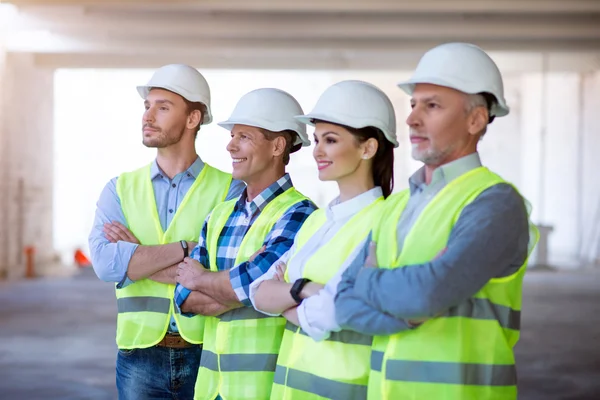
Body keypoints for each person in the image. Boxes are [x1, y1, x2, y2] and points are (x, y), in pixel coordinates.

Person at [335, 42, 540, 400]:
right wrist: (409, 302)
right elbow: (343, 302)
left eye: (432, 106)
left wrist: (369, 279)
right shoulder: (395, 205)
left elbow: (424, 294)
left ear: (475, 120)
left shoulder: (495, 202)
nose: (413, 118)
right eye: (413, 104)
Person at [88, 64, 244, 400]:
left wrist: (138, 257)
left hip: (206, 351)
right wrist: (185, 249)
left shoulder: (230, 191)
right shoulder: (119, 189)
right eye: (147, 106)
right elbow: (105, 265)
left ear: (192, 119)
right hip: (138, 355)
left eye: (162, 107)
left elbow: (226, 276)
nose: (148, 116)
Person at [249, 80, 399, 400]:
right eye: (316, 140)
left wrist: (287, 296)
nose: (317, 150)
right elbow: (259, 293)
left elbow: (334, 310)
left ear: (368, 147)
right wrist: (303, 289)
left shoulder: (386, 222)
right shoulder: (316, 220)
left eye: (330, 140)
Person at [173, 88, 318, 400]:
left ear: (278, 145)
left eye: (244, 136)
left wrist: (202, 279)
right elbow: (182, 296)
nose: (230, 145)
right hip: (213, 389)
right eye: (232, 135)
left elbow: (243, 285)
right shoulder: (219, 214)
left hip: (264, 389)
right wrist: (247, 291)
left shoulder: (301, 215)